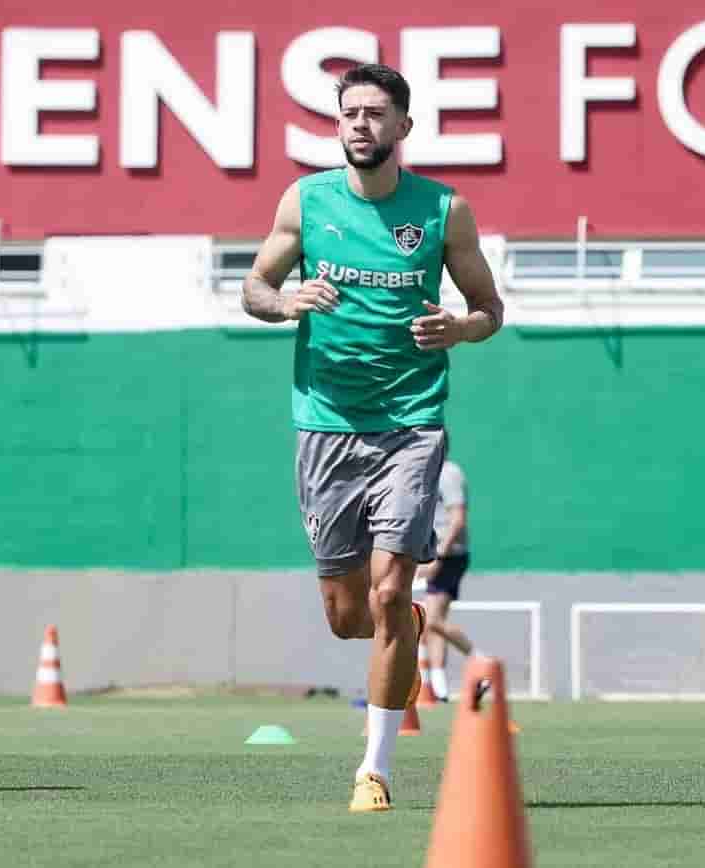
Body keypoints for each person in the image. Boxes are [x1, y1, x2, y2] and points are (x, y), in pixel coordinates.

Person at [241, 63, 503, 813]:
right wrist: (287, 301)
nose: (360, 123)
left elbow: (489, 307)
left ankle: (375, 770)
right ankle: (399, 625)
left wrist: (460, 326)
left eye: (375, 113)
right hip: (325, 425)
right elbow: (254, 287)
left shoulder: (444, 211)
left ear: (403, 128)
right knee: (348, 614)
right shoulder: (305, 200)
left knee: (392, 591)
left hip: (412, 424)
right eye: (349, 112)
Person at [416, 436, 481, 702]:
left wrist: (438, 557)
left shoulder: (449, 474)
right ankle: (438, 688)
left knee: (431, 620)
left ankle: (480, 659)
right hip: (433, 555)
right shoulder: (425, 474)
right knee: (430, 624)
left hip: (449, 556)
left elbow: (457, 521)